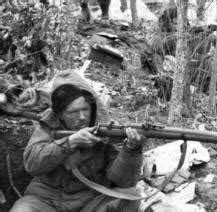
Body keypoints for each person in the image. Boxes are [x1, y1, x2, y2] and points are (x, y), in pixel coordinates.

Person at [10, 70, 144, 211]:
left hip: (90, 200)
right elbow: (32, 164)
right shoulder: (49, 126)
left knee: (131, 198)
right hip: (46, 199)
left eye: (85, 109)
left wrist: (131, 151)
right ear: (60, 114)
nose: (81, 117)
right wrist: (70, 143)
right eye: (73, 112)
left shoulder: (107, 131)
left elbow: (123, 181)